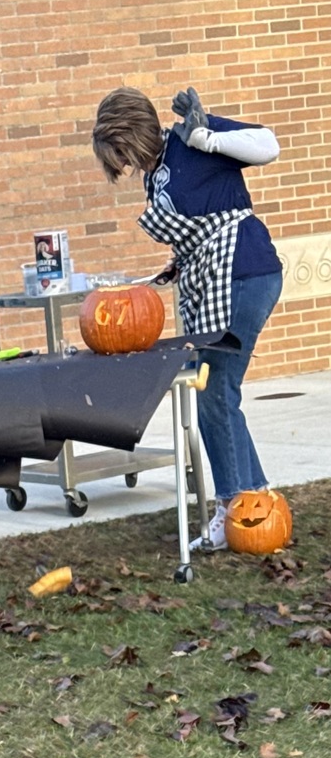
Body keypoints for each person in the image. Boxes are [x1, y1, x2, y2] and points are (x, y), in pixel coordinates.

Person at [91, 85, 283, 551]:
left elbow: (269, 146)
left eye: (121, 153)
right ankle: (253, 501)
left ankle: (232, 506)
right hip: (211, 278)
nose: (123, 165)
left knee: (214, 395)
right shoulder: (154, 175)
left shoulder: (191, 135)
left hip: (243, 272)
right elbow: (199, 225)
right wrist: (177, 263)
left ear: (131, 134)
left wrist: (209, 139)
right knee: (220, 394)